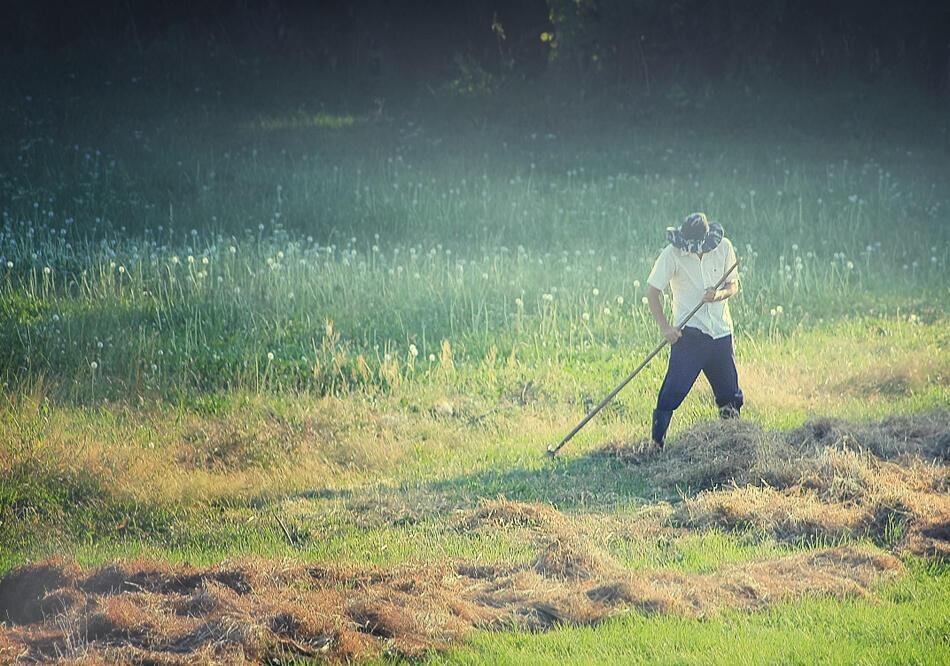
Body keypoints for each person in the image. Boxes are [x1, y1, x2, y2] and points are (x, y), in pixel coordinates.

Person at [645, 212, 743, 448]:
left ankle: (733, 442)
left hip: (720, 332)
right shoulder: (672, 255)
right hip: (689, 336)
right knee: (672, 391)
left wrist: (717, 295)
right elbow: (652, 292)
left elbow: (733, 285)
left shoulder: (724, 248)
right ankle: (656, 445)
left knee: (729, 394)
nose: (694, 250)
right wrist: (666, 328)